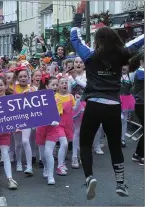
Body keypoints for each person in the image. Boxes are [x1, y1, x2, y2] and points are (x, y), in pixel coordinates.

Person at [70, 1, 144, 200]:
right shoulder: (123, 54)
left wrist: (78, 15)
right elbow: (139, 41)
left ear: (98, 40)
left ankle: (89, 178)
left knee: (85, 144)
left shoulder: (90, 55)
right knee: (113, 145)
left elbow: (74, 37)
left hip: (94, 104)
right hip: (114, 105)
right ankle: (120, 183)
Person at [130, 51, 144, 165]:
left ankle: (137, 154)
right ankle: (141, 155)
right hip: (140, 103)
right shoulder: (140, 72)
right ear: (141, 62)